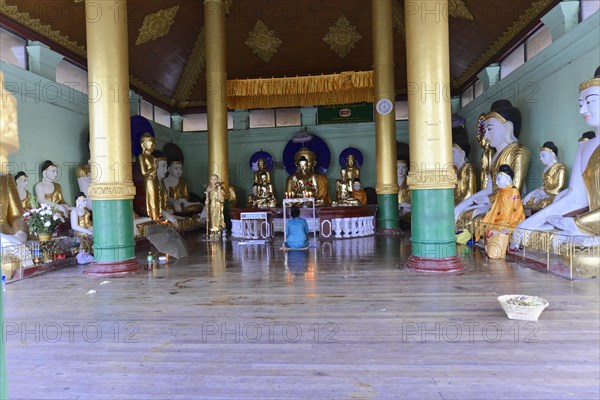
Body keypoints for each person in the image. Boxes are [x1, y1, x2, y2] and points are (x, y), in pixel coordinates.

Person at [517, 67, 600, 237]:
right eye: (580, 104)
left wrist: (577, 224)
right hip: (589, 226)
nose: (582, 111)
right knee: (539, 234)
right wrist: (532, 223)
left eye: (590, 101)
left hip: (588, 225)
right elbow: (576, 198)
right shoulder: (585, 148)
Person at [455, 100, 530, 225]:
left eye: (489, 129)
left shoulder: (520, 151)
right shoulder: (494, 156)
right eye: (485, 131)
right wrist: (459, 207)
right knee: (462, 214)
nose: (486, 135)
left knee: (479, 219)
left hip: (510, 203)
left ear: (507, 128)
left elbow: (515, 190)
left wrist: (488, 199)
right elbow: (489, 188)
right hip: (493, 201)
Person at [475, 165, 525, 242]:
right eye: (496, 179)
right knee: (483, 222)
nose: (496, 182)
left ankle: (496, 245)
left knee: (492, 229)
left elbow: (515, 211)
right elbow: (495, 207)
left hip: (509, 219)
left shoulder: (513, 191)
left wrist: (500, 221)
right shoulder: (500, 191)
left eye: (499, 179)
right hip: (498, 218)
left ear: (507, 179)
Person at [522, 141, 567, 210]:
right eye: (540, 156)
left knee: (543, 203)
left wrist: (544, 192)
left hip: (554, 194)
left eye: (543, 155)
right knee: (525, 200)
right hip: (544, 192)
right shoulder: (545, 168)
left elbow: (559, 187)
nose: (541, 158)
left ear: (552, 155)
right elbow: (544, 186)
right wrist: (534, 192)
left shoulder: (560, 167)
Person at [138, 133, 161, 221]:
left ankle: (158, 216)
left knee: (157, 197)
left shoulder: (152, 157)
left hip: (155, 179)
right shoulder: (142, 156)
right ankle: (154, 217)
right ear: (144, 144)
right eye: (151, 143)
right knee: (152, 198)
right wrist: (154, 166)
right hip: (149, 180)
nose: (153, 145)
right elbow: (144, 172)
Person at [452, 132, 476, 205]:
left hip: (463, 204)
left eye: (453, 152)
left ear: (462, 153)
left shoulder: (469, 168)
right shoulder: (454, 170)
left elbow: (468, 194)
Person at [205, 174, 226, 238]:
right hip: (211, 206)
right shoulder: (208, 189)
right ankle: (212, 229)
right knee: (211, 217)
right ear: (210, 180)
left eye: (215, 179)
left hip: (218, 206)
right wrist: (206, 202)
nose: (214, 181)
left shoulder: (221, 189)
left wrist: (219, 188)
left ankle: (218, 229)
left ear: (217, 180)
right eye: (212, 179)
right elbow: (207, 199)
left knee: (217, 217)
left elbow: (221, 199)